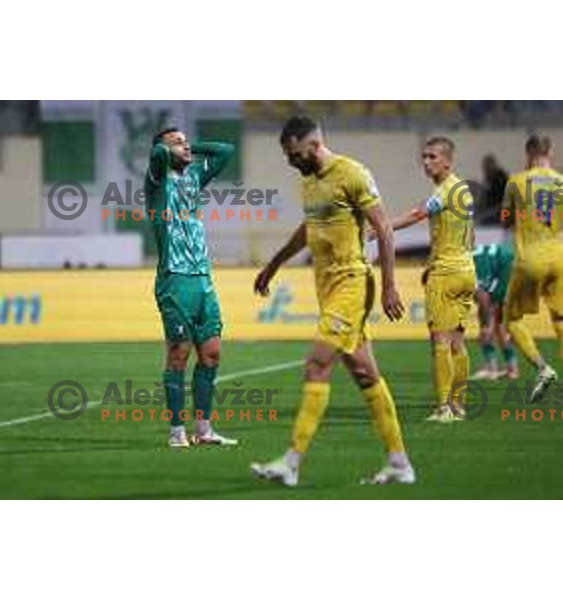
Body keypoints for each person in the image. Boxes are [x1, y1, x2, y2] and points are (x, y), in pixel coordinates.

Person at [250, 116, 415, 487]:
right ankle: (400, 463)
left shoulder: (352, 173)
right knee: (364, 373)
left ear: (310, 144)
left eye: (293, 154)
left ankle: (291, 462)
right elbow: (308, 230)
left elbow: (385, 229)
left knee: (316, 364)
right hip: (328, 288)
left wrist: (390, 286)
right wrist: (274, 264)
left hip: (352, 283)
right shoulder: (308, 181)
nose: (290, 161)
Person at [144, 127, 237, 447]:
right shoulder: (156, 180)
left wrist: (187, 148)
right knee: (179, 355)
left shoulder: (195, 176)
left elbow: (225, 149)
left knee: (211, 355)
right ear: (164, 150)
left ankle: (204, 430)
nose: (187, 147)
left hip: (203, 279)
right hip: (174, 279)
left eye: (187, 142)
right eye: (178, 142)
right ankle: (176, 432)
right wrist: (169, 149)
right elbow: (156, 154)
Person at [381, 137, 476, 422]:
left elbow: (418, 213)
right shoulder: (463, 190)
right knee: (458, 341)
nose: (426, 162)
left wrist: (383, 227)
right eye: (424, 157)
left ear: (448, 161)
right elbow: (470, 236)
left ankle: (444, 408)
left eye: (432, 157)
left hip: (446, 274)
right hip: (466, 270)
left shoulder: (445, 190)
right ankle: (459, 405)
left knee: (439, 341)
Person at [501, 134, 563, 402]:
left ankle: (542, 368)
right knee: (561, 319)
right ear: (550, 151)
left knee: (511, 318)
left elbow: (504, 220)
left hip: (531, 259)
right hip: (559, 255)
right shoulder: (561, 182)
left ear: (528, 152)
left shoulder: (516, 181)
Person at [471, 242, 518, 380]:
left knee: (494, 321)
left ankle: (492, 368)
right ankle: (509, 368)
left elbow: (484, 297)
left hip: (507, 267)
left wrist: (486, 327)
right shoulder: (472, 259)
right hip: (507, 265)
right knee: (496, 321)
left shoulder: (471, 267)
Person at [479, 155, 509, 225]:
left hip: (500, 210)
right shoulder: (489, 181)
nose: (486, 171)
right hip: (493, 209)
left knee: (483, 220)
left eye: (486, 169)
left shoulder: (501, 180)